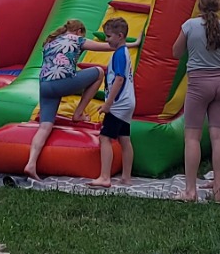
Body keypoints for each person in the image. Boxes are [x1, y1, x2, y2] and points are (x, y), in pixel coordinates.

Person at [24, 18, 123, 180]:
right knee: (99, 72)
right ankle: (78, 113)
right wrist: (131, 43)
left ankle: (31, 163)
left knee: (45, 127)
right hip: (62, 83)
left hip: (45, 86)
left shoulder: (51, 41)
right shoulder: (77, 39)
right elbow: (109, 46)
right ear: (79, 31)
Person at [173, 0, 220, 203]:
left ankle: (190, 191)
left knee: (192, 137)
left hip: (198, 85)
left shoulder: (190, 26)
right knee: (219, 136)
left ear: (200, 6)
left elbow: (176, 52)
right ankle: (218, 192)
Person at [89, 17, 136, 189]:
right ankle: (126, 177)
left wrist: (108, 103)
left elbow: (119, 79)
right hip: (128, 101)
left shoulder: (119, 54)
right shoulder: (124, 51)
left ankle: (104, 177)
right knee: (124, 138)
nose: (106, 40)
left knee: (105, 137)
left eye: (109, 36)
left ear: (120, 36)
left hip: (118, 103)